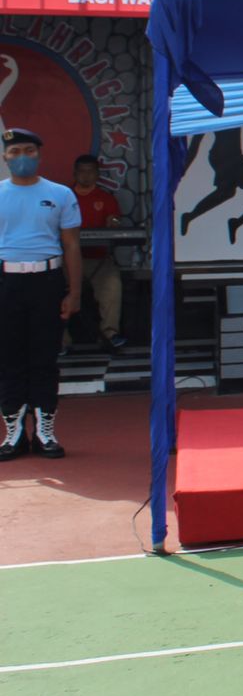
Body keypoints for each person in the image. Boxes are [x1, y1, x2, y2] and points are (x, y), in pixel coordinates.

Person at [1, 127, 81, 460]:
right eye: (15, 151)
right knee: (9, 358)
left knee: (45, 357)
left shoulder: (60, 194)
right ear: (5, 156)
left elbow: (71, 244)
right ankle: (14, 433)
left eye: (29, 151)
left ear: (40, 154)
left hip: (46, 281)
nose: (22, 158)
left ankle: (46, 430)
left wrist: (74, 292)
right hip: (6, 282)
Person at [70, 155, 128, 351]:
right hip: (69, 259)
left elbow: (114, 222)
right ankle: (60, 341)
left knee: (112, 284)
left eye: (90, 170)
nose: (86, 175)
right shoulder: (64, 196)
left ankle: (111, 334)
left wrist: (113, 223)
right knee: (51, 287)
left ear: (97, 174)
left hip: (98, 259)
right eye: (82, 170)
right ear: (75, 173)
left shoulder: (105, 198)